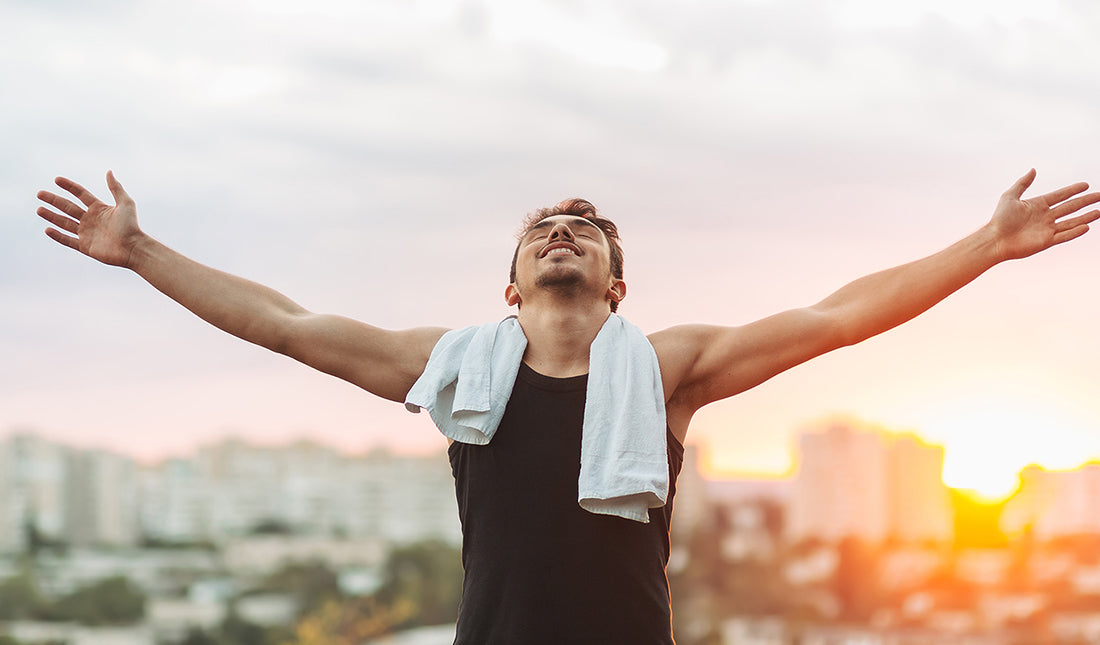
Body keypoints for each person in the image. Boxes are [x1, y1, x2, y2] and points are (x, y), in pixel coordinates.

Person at [36, 170, 1100, 643]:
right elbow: (286, 324)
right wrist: (137, 253)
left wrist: (984, 246)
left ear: (615, 285)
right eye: (543, 224)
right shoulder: (453, 369)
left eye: (588, 226)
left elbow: (834, 318)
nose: (564, 228)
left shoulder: (667, 369)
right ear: (508, 287)